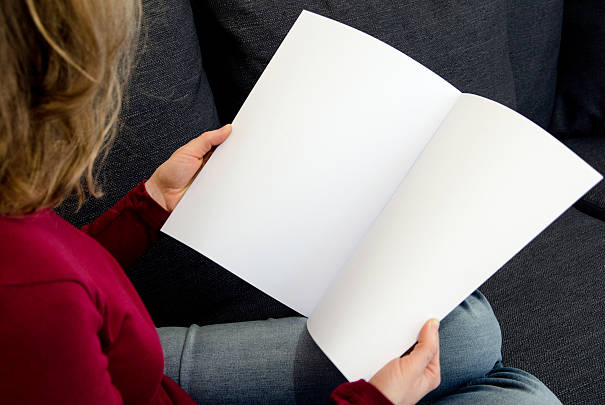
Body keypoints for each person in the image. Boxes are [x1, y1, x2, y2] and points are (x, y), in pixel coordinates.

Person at [0, 1, 562, 404]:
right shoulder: (35, 301)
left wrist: (150, 204)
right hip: (130, 371)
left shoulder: (20, 232)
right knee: (519, 391)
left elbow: (59, 272)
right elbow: (45, 291)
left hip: (133, 363)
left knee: (469, 331)